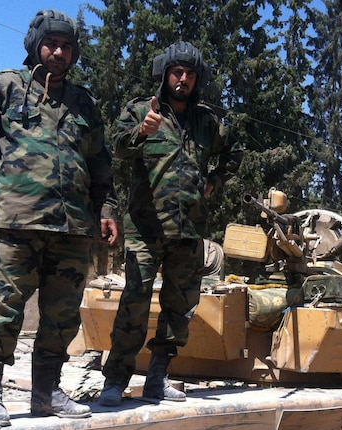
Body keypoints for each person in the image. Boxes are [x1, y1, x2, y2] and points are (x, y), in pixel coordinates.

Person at [0, 9, 118, 425]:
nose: (58, 52)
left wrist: (106, 209)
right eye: (51, 44)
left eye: (66, 46)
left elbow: (101, 163)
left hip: (73, 227)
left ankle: (46, 394)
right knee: (5, 307)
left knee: (62, 316)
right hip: (18, 220)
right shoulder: (7, 86)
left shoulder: (84, 103)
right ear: (35, 45)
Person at [99, 41, 243, 406]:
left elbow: (234, 152)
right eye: (177, 72)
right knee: (134, 303)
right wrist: (143, 132)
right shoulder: (140, 111)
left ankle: (158, 378)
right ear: (165, 74)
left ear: (197, 80)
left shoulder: (207, 122)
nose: (183, 79)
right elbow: (116, 147)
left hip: (189, 230)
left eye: (190, 74)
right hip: (146, 228)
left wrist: (216, 179)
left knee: (179, 309)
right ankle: (115, 380)